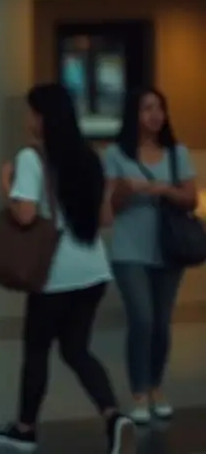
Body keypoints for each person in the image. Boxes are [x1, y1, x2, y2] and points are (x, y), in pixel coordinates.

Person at [0, 84, 135, 454]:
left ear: (42, 117)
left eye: (30, 112)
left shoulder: (32, 158)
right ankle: (114, 416)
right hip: (94, 271)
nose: (27, 120)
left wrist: (5, 184)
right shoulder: (88, 156)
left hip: (55, 274)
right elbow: (103, 218)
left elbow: (25, 215)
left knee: (36, 349)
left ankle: (24, 429)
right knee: (75, 349)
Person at [104, 87, 196, 424]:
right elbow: (108, 210)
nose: (155, 114)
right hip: (130, 250)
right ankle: (139, 391)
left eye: (159, 107)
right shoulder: (115, 154)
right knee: (141, 319)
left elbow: (190, 199)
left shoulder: (177, 153)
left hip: (170, 249)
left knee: (161, 324)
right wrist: (127, 190)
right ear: (134, 114)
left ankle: (157, 385)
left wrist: (163, 190)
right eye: (147, 108)